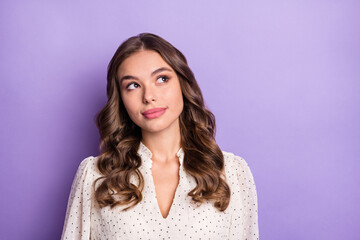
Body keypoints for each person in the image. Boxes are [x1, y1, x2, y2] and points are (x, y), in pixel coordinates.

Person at [61, 33, 259, 240]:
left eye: (162, 79)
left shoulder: (233, 174)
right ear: (120, 99)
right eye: (133, 85)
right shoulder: (94, 176)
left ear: (183, 84)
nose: (148, 96)